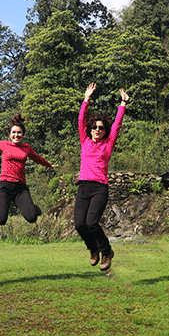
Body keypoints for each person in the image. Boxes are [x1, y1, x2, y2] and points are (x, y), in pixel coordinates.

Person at [74, 83, 128, 271]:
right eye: (95, 127)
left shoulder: (108, 143)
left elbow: (117, 125)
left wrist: (122, 104)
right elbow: (80, 120)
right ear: (90, 129)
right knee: (79, 224)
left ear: (105, 131)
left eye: (101, 128)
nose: (98, 129)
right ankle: (93, 249)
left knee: (91, 222)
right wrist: (86, 99)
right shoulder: (85, 140)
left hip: (99, 188)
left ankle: (107, 252)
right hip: (83, 187)